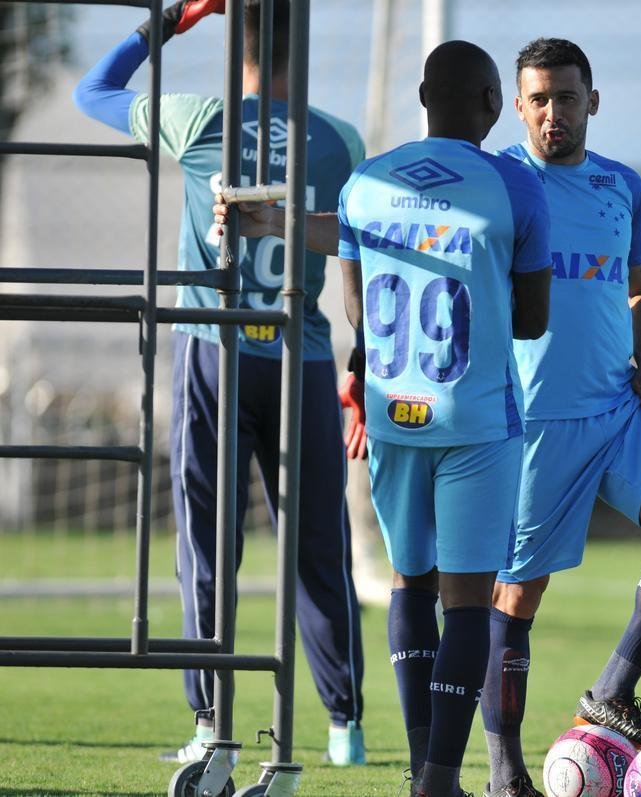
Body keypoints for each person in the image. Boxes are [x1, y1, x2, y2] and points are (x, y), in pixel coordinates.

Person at [74, 0, 368, 767]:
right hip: (300, 353)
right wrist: (361, 355)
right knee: (317, 545)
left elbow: (93, 93)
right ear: (297, 47)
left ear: (234, 40)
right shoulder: (339, 139)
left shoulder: (200, 117)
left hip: (216, 346)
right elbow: (354, 259)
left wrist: (169, 21)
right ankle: (345, 725)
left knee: (207, 542)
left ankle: (211, 719)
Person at [474, 38, 641, 797]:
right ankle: (503, 773)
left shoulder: (622, 185)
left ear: (594, 100)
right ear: (518, 107)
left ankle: (612, 691)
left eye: (568, 96)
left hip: (619, 409)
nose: (555, 113)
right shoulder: (498, 181)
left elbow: (639, 287)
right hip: (532, 424)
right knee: (516, 599)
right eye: (540, 99)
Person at [337, 40, 552, 797]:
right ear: (494, 104)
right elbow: (532, 318)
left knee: (408, 583)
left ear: (423, 97)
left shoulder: (364, 182)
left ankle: (424, 764)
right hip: (476, 417)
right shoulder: (515, 188)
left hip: (396, 416)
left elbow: (357, 303)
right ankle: (439, 779)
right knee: (468, 599)